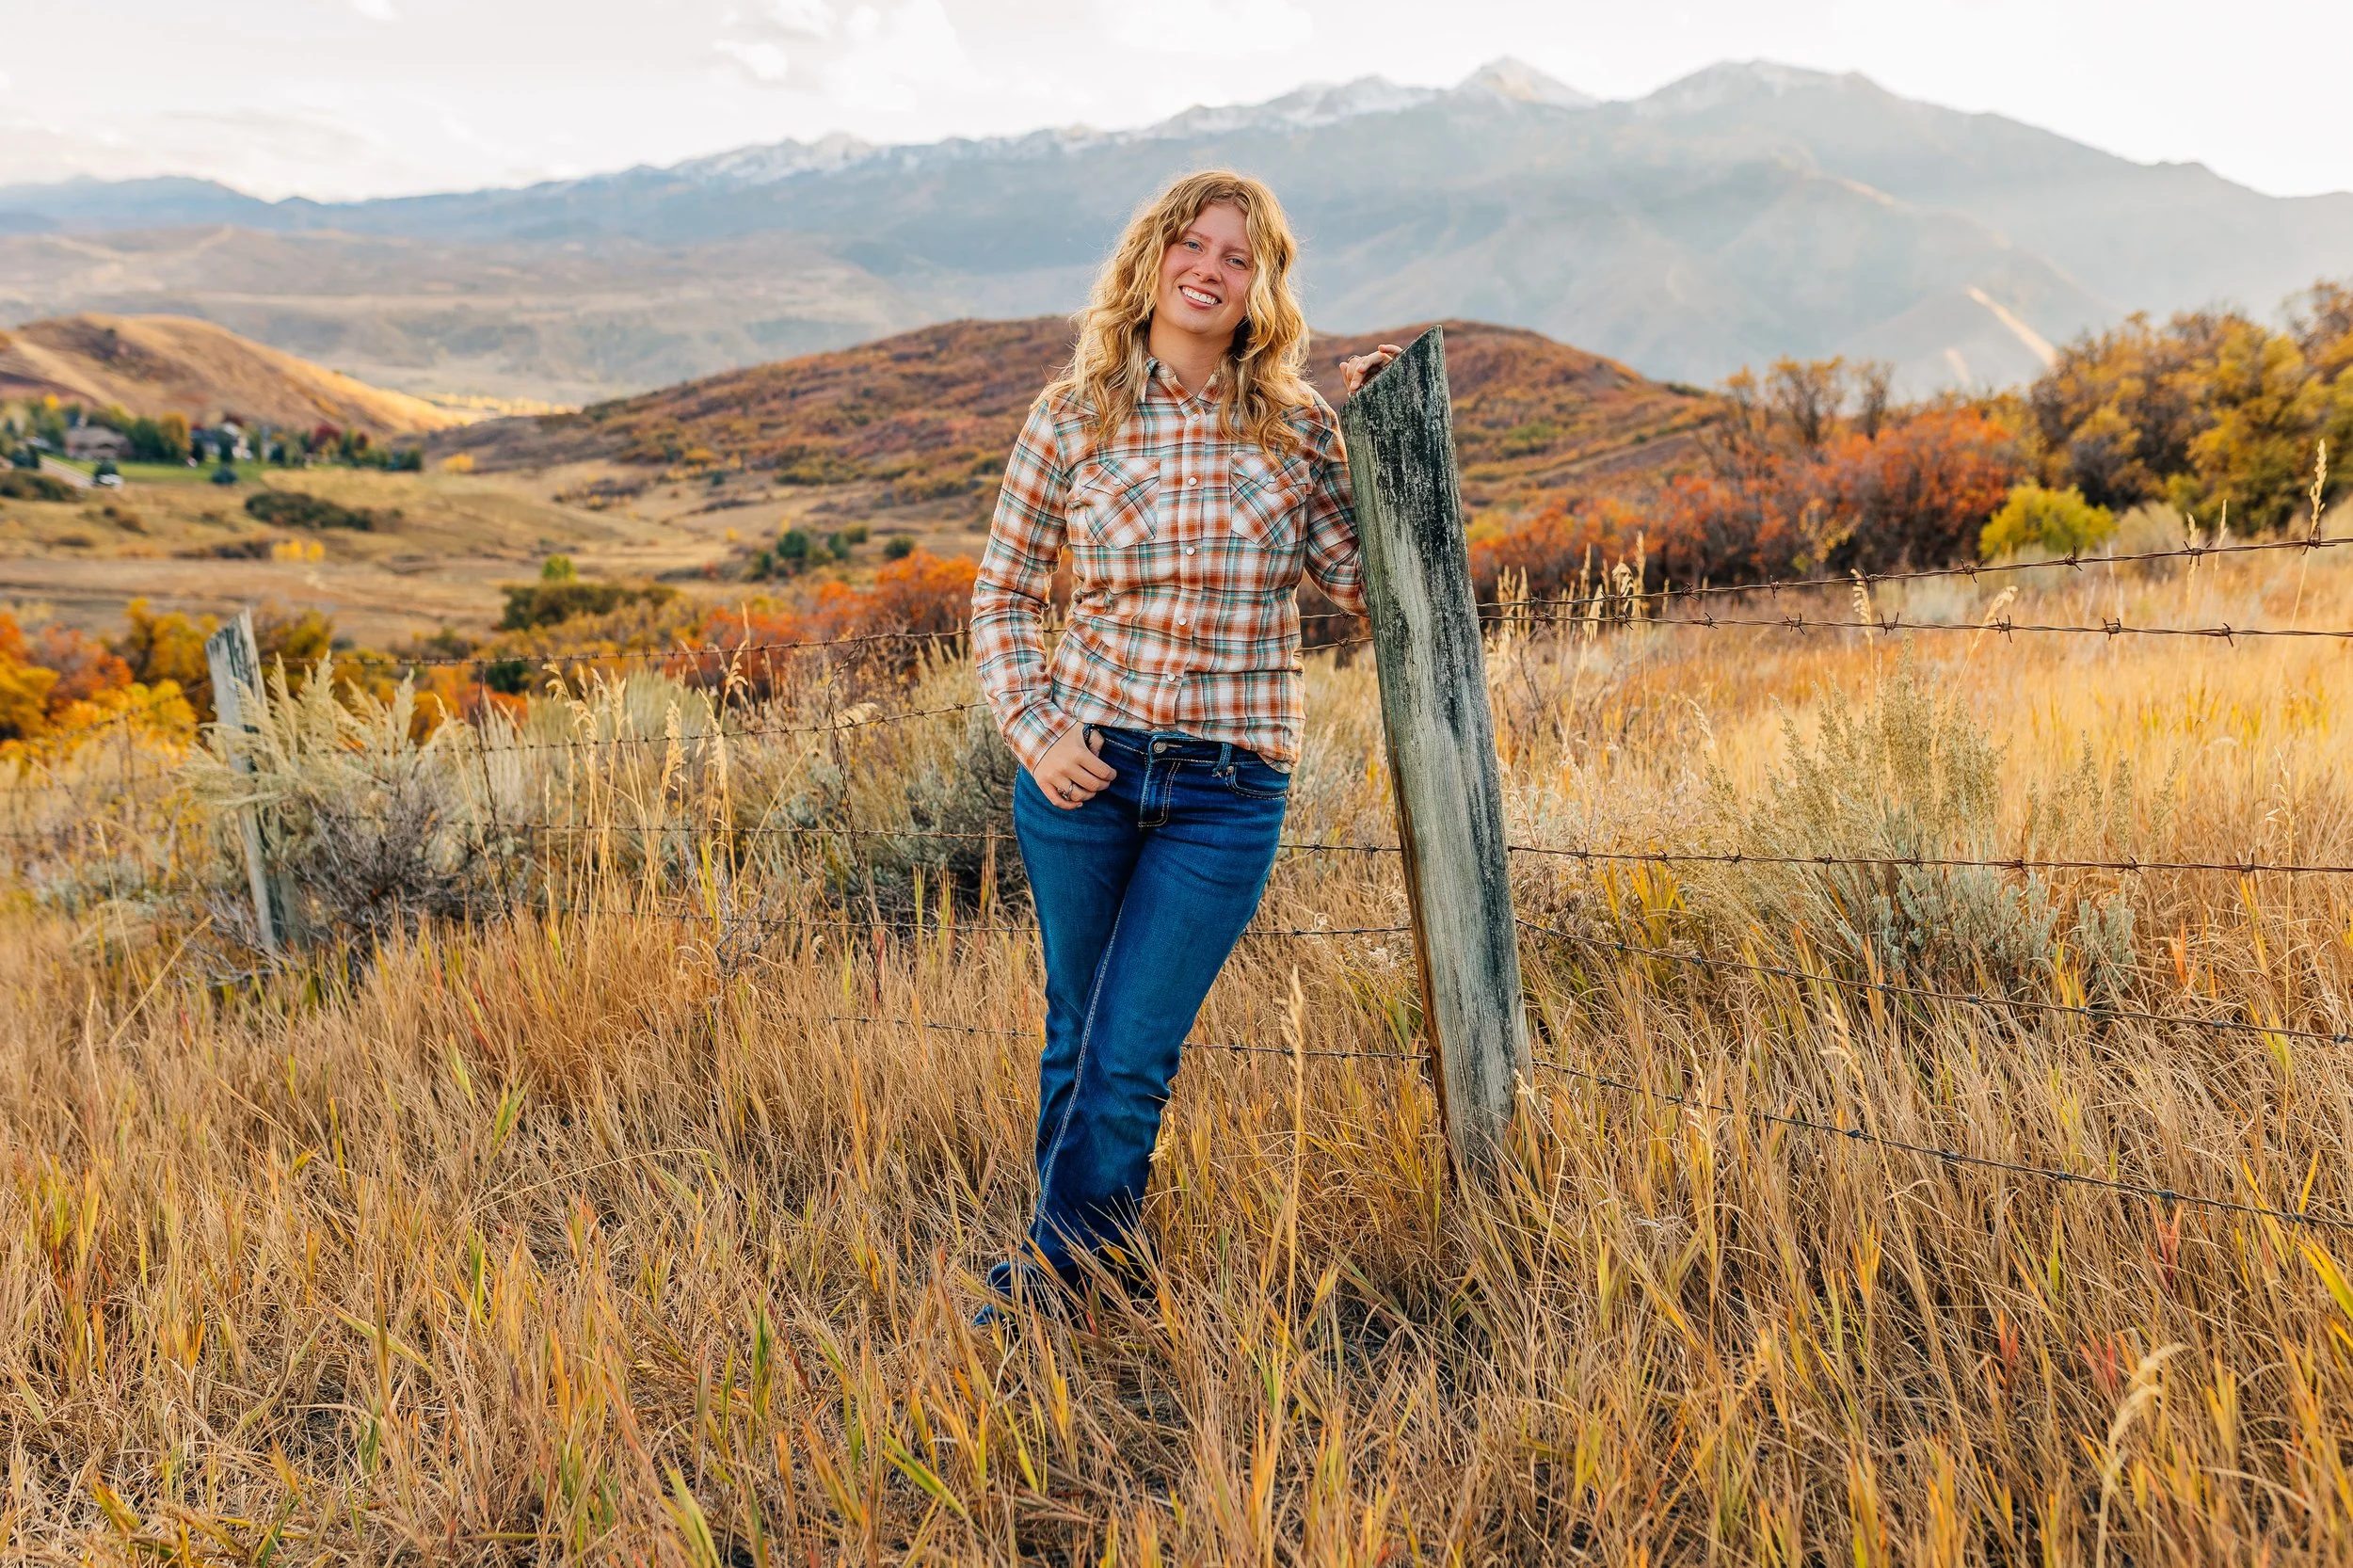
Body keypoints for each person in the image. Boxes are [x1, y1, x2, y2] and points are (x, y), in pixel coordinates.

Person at [970, 168, 1401, 1311]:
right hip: (1086, 768)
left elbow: (1367, 586)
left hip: (1226, 785)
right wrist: (1036, 729)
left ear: (1262, 287)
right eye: (1193, 247)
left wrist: (1390, 443)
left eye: (1238, 256)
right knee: (1078, 1038)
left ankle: (1054, 1279)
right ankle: (1093, 1263)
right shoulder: (1071, 415)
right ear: (1152, 259)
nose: (1211, 270)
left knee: (1129, 1052)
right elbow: (1003, 597)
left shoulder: (1296, 426)